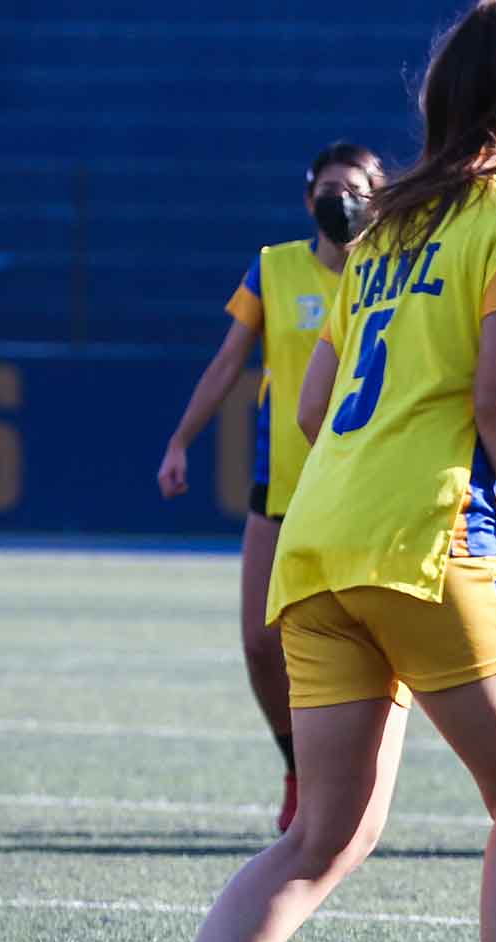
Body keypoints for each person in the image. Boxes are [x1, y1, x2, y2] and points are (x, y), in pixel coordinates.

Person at [106, 4, 496, 942]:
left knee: (321, 836)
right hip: (432, 539)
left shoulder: (381, 227)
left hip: (320, 541)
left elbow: (313, 404)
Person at [155, 141, 384, 833]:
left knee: (375, 650)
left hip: (360, 488)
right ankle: (297, 769)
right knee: (261, 644)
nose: (338, 199)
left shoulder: (389, 269)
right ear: (308, 194)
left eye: (353, 188)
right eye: (329, 187)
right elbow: (229, 363)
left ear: (377, 197)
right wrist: (180, 440)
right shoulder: (274, 267)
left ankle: (351, 790)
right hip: (281, 485)